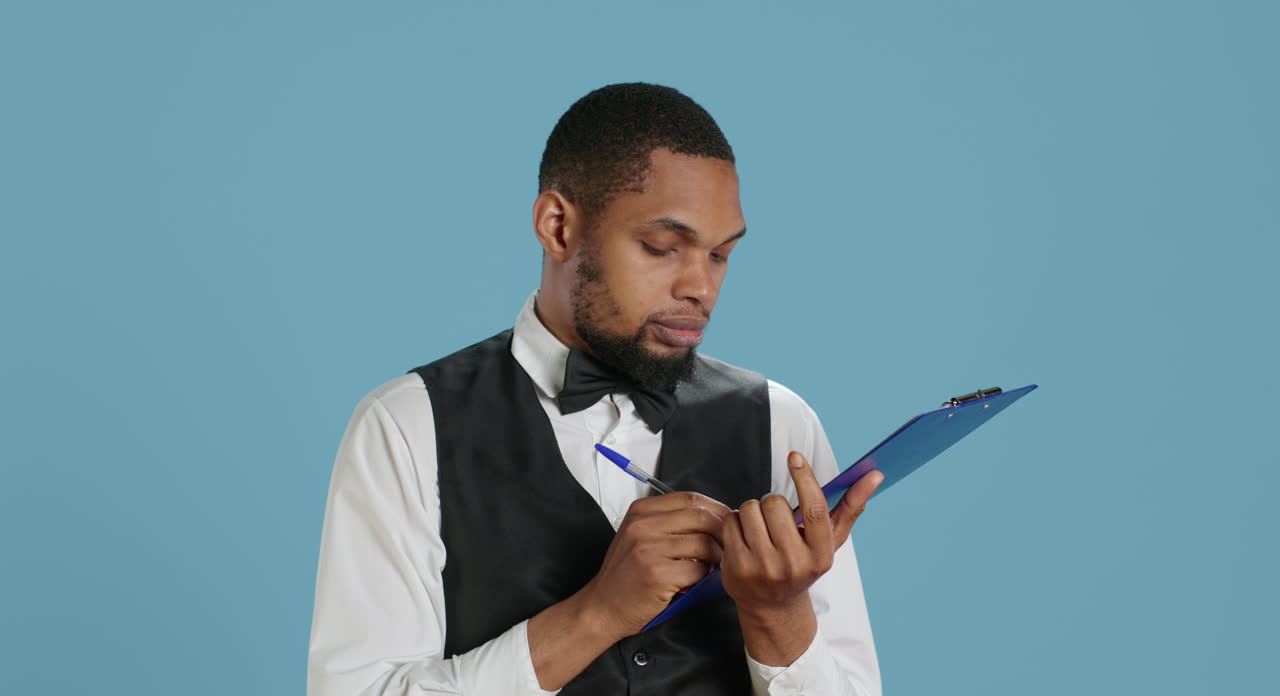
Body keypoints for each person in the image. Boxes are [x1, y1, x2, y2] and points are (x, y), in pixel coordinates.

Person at [307, 83, 884, 696]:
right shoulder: (407, 425)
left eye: (720, 255)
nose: (701, 288)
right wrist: (596, 615)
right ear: (557, 227)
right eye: (662, 248)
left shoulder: (780, 422)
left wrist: (776, 615)